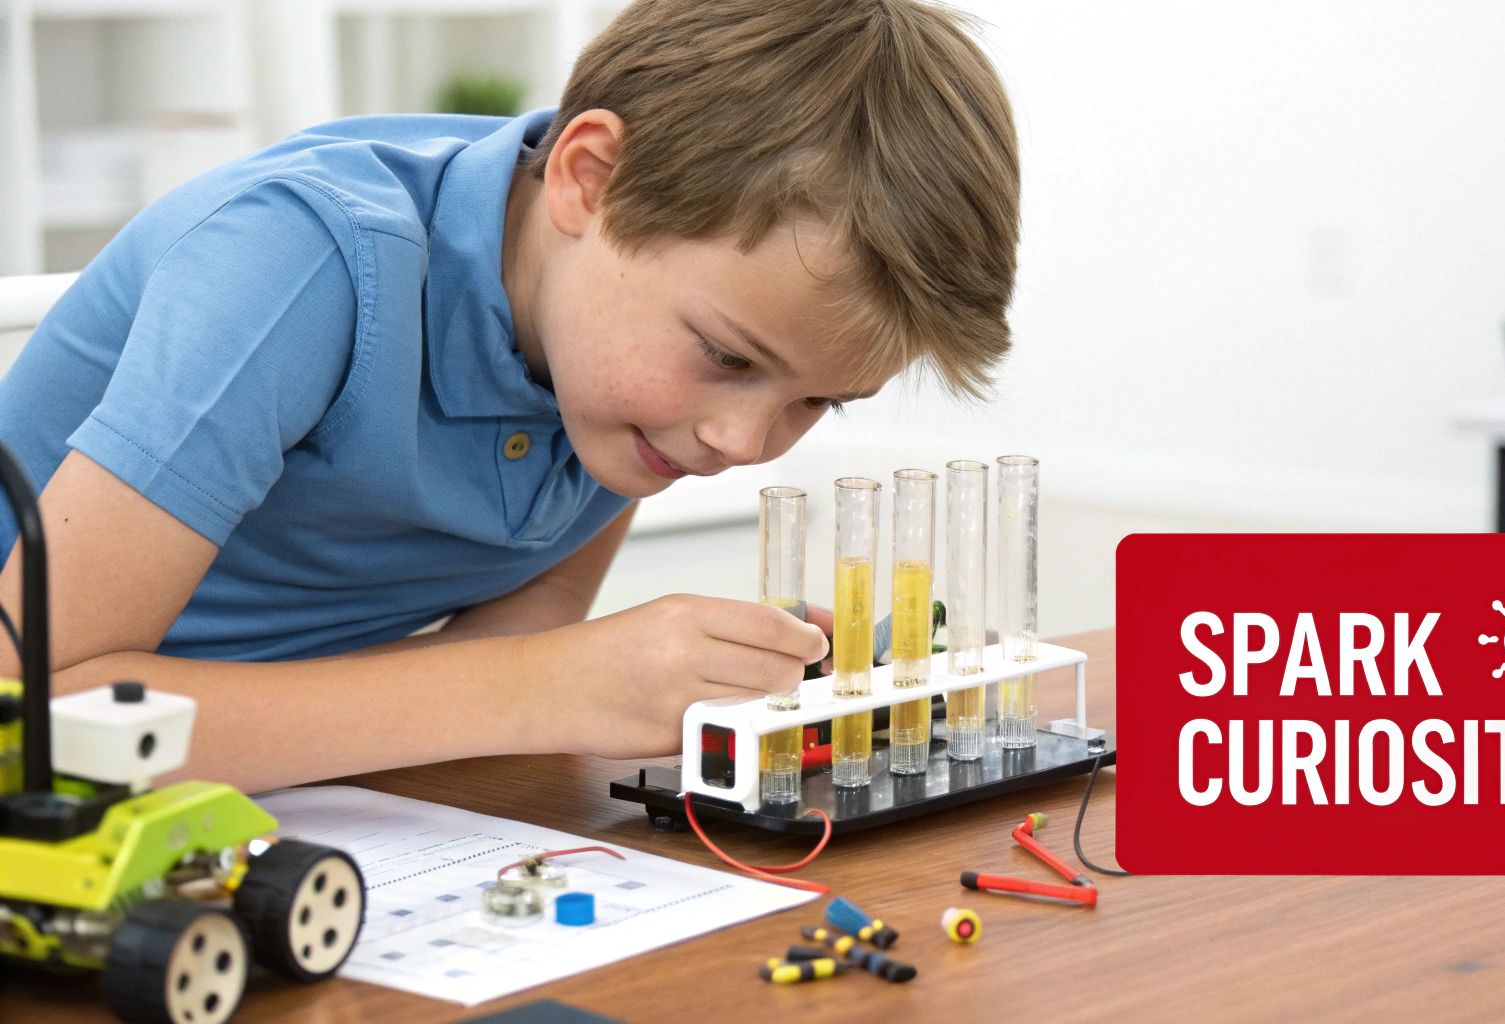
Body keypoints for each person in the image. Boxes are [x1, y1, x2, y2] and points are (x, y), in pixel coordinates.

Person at [0, 0, 1019, 792]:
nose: (742, 440)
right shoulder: (298, 265)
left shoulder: (616, 382)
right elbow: (27, 710)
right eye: (724, 354)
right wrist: (561, 682)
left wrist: (675, 677)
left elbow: (496, 667)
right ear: (589, 177)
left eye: (818, 403)